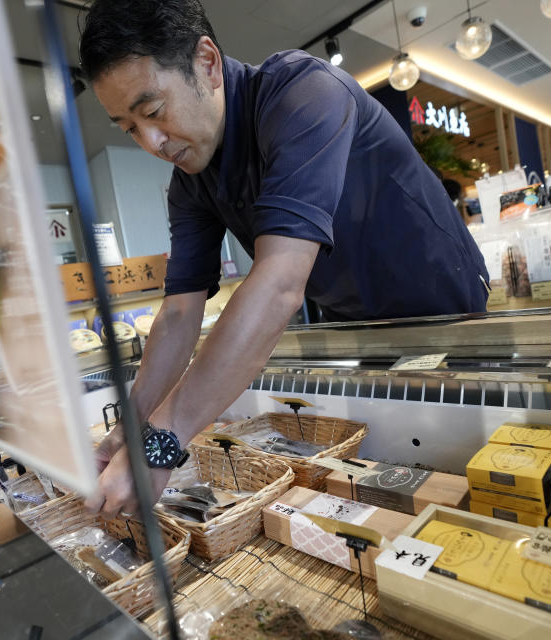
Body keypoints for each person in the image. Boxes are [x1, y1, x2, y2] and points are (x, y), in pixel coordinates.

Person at [79, 0, 488, 517]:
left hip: (446, 310)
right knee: (386, 473)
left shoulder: (302, 93)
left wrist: (162, 444)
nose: (151, 142)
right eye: (129, 128)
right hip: (352, 331)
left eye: (154, 111)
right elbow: (179, 313)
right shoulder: (190, 184)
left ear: (206, 61)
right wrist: (130, 428)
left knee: (464, 468)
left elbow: (278, 284)